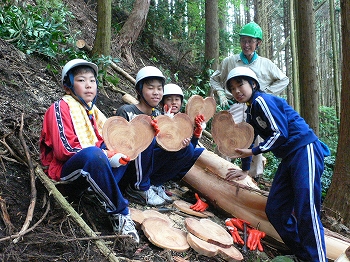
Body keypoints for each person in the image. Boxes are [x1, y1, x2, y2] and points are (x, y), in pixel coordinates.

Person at [224, 66, 328, 262]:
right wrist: (245, 170)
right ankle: (304, 254)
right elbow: (249, 139)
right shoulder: (251, 111)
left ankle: (317, 259)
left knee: (306, 207)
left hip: (304, 149)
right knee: (276, 208)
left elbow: (280, 134)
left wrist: (255, 151)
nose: (237, 91)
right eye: (233, 89)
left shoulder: (262, 101)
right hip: (289, 156)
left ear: (253, 84)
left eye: (241, 85)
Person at [39, 59, 139, 243]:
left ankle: (101, 191)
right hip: (63, 173)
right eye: (81, 80)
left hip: (87, 167)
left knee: (125, 148)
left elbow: (106, 141)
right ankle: (120, 213)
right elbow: (64, 150)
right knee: (95, 154)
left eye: (92, 80)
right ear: (68, 86)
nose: (88, 85)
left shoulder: (94, 112)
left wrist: (115, 155)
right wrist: (104, 155)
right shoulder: (59, 108)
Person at [210, 21, 289, 181]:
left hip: (257, 107)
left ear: (258, 43)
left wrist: (266, 94)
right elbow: (214, 78)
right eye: (243, 40)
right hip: (235, 105)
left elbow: (284, 79)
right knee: (227, 135)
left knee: (255, 136)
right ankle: (225, 170)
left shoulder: (265, 64)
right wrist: (221, 93)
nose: (246, 45)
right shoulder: (230, 61)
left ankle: (254, 176)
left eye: (250, 41)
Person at [116, 67, 204, 206]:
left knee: (185, 149)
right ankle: (138, 188)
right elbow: (117, 144)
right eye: (151, 88)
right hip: (127, 167)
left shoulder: (158, 116)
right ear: (139, 89)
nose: (156, 93)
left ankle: (154, 184)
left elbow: (161, 147)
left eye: (159, 89)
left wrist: (184, 139)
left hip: (147, 167)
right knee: (144, 134)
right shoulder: (127, 111)